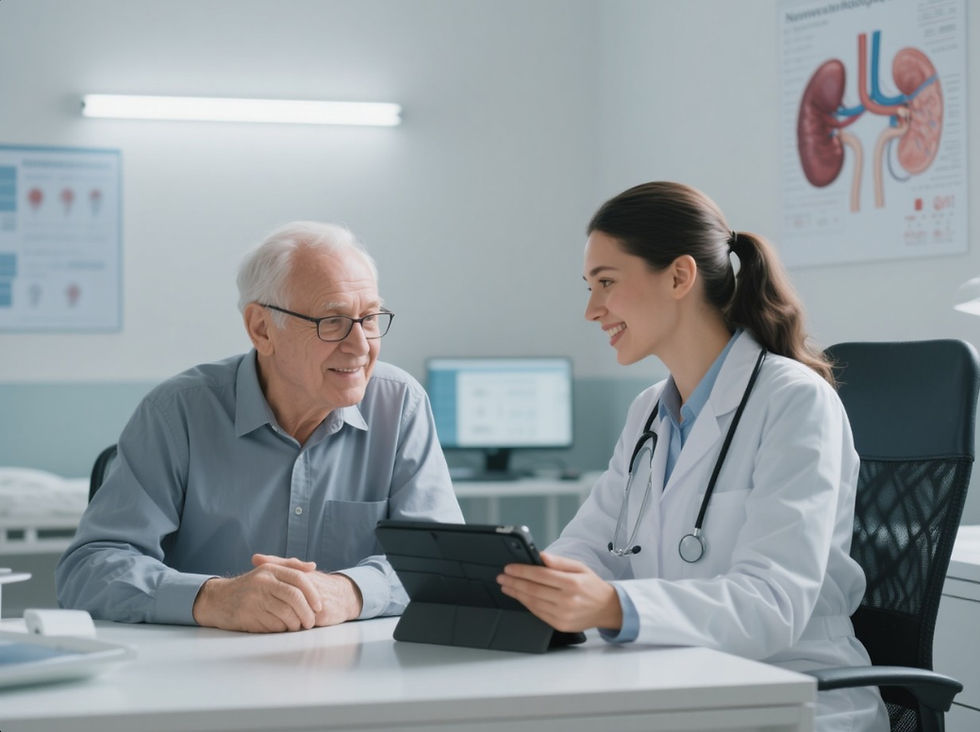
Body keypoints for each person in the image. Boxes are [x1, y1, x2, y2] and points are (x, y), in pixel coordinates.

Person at [497, 182, 888, 731]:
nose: (591, 310)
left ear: (680, 276)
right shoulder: (649, 414)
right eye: (589, 287)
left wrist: (613, 606)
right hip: (682, 682)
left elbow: (773, 602)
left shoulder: (793, 400)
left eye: (606, 283)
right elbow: (594, 545)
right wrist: (533, 584)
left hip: (794, 695)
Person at [57, 221, 463, 633]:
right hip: (201, 672)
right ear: (262, 328)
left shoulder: (400, 404)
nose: (360, 346)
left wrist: (348, 591)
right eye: (332, 321)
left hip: (357, 669)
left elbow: (449, 565)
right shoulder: (176, 412)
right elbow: (88, 571)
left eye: (370, 318)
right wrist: (211, 598)